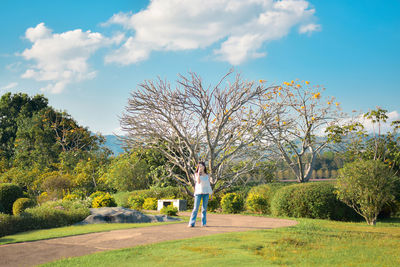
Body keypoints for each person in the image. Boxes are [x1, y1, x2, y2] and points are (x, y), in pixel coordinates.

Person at [188, 161, 213, 227]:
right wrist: (199, 173)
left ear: (204, 167)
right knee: (195, 208)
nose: (201, 167)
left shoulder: (208, 175)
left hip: (206, 193)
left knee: (204, 209)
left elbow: (208, 185)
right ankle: (191, 223)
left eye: (201, 166)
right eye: (199, 166)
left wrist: (211, 194)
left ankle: (204, 223)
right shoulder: (196, 174)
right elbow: (198, 182)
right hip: (198, 193)